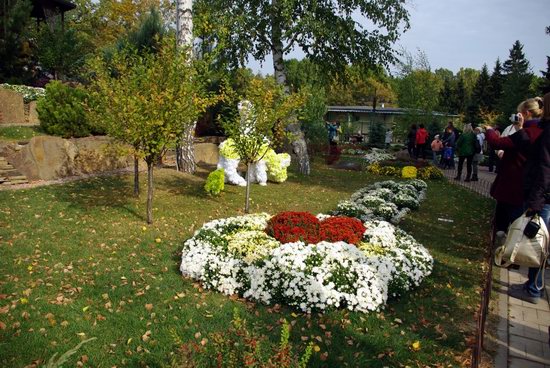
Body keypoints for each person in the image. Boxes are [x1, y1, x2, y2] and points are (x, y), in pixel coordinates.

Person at [505, 94, 549, 304]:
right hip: (541, 195)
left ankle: (533, 289)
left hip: (542, 197)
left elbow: (544, 169)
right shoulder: (545, 129)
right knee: (537, 242)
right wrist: (521, 130)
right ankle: (531, 285)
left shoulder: (547, 132)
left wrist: (536, 202)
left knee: (536, 243)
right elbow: (532, 151)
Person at [484, 98, 544, 239]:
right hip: (530, 183)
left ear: (526, 113)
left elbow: (497, 142)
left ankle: (506, 244)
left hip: (514, 181)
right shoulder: (540, 131)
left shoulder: (528, 133)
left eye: (519, 113)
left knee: (512, 218)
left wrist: (490, 130)